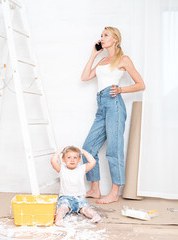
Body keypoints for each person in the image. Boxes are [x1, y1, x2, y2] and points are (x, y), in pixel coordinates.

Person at [81, 26, 145, 204]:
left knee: (113, 150)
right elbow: (85, 77)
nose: (102, 38)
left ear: (115, 39)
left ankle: (114, 192)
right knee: (88, 148)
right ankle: (95, 189)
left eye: (106, 35)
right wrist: (94, 54)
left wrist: (121, 89)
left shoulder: (123, 59)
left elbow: (141, 84)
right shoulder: (102, 61)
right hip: (101, 105)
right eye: (101, 35)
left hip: (114, 104)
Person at [50, 146, 102, 226]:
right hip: (65, 197)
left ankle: (95, 216)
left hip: (79, 197)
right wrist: (60, 151)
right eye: (69, 157)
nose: (72, 160)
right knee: (62, 208)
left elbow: (92, 162)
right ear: (63, 159)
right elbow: (53, 161)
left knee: (86, 209)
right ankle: (59, 219)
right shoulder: (62, 169)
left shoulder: (81, 169)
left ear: (79, 159)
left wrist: (83, 151)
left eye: (75, 157)